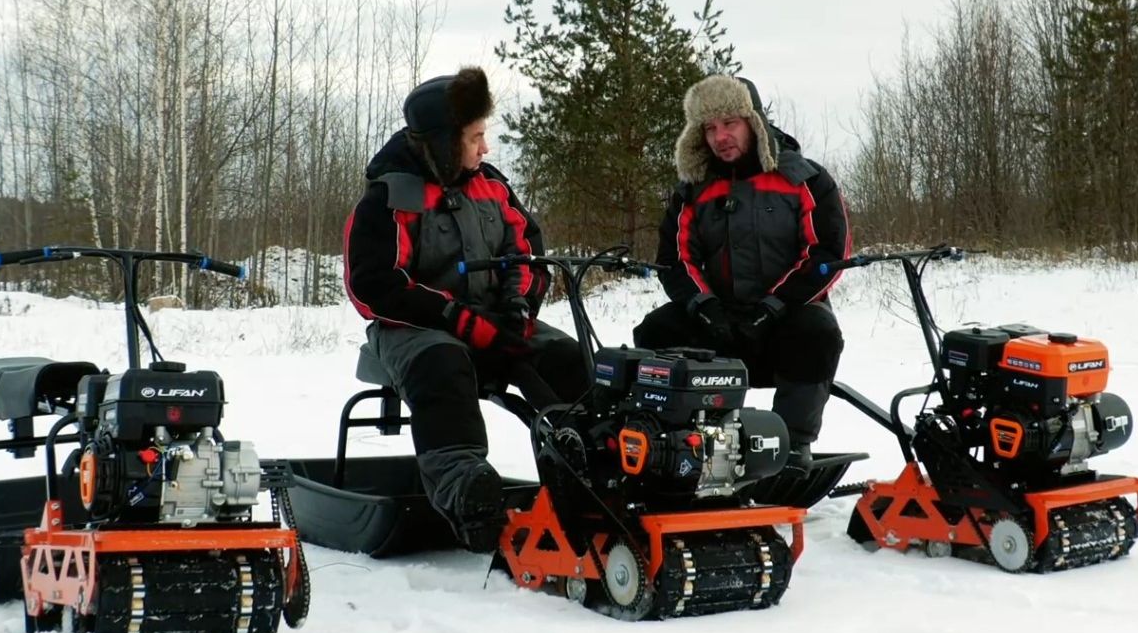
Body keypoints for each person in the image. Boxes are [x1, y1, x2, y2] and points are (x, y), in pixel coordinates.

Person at [344, 66, 588, 552]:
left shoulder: (491, 186)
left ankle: (592, 468)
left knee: (569, 360)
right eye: (475, 138)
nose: (485, 148)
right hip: (415, 327)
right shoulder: (391, 196)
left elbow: (527, 252)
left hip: (496, 320)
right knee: (443, 364)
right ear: (442, 141)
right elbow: (374, 287)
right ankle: (466, 492)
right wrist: (458, 319)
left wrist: (518, 308)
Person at [632, 74, 851, 465]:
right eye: (710, 128)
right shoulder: (693, 188)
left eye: (730, 123)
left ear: (754, 122)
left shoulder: (807, 179)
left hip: (787, 318)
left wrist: (774, 306)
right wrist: (705, 306)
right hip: (720, 321)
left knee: (818, 332)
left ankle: (790, 446)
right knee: (656, 331)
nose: (720, 137)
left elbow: (826, 255)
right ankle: (678, 443)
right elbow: (675, 258)